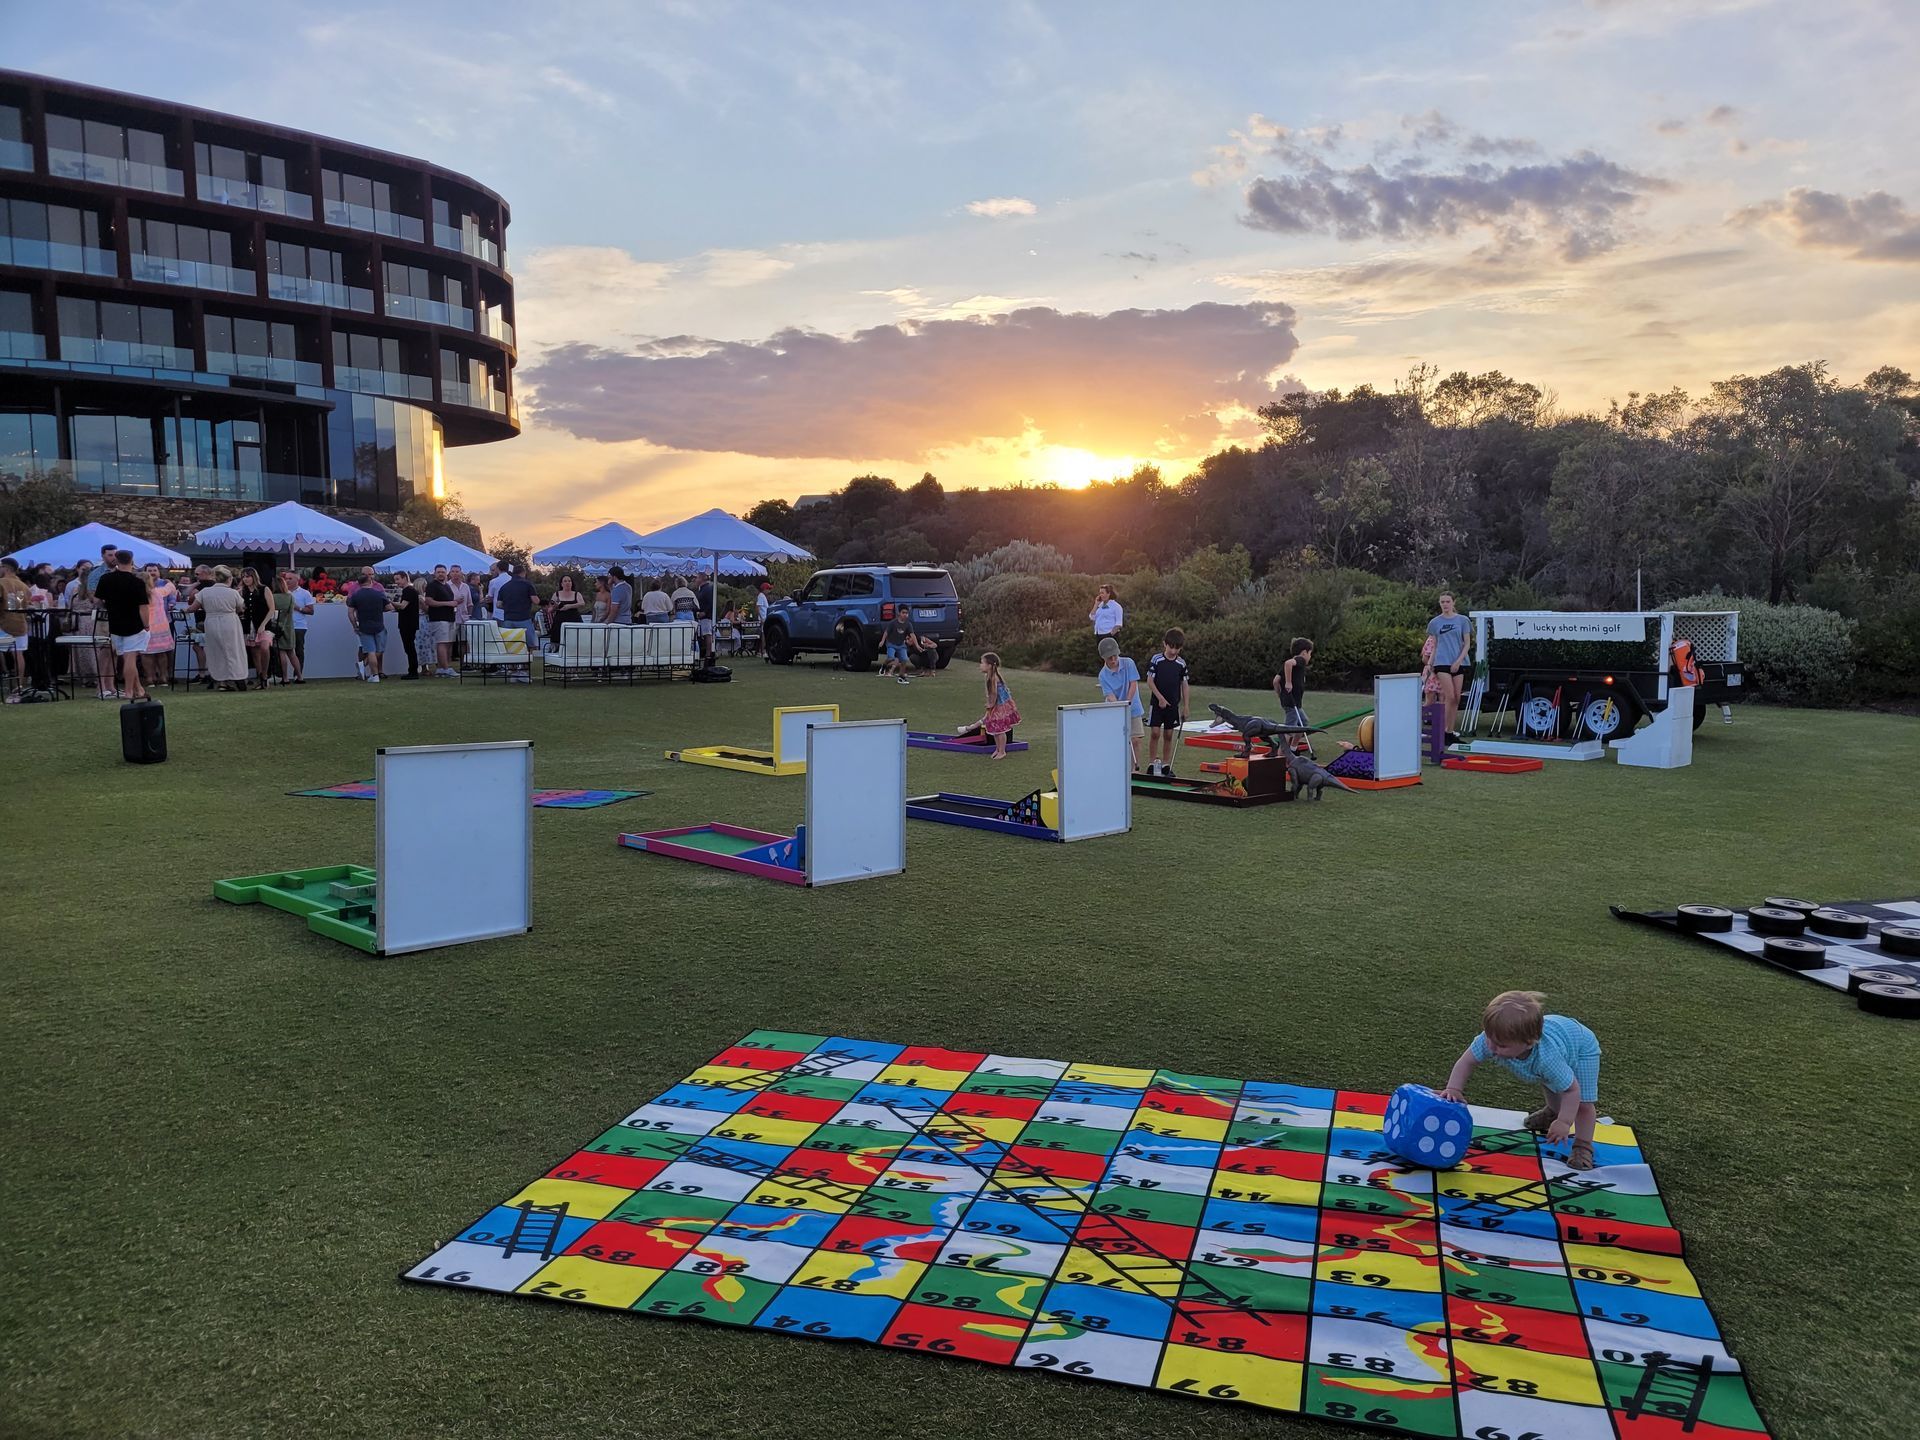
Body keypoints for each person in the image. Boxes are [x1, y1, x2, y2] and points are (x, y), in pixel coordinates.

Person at [1441, 991, 1603, 1172]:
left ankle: (1583, 1146)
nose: (1492, 1048)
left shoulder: (1548, 1059)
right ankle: (1552, 1112)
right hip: (1560, 1036)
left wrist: (1564, 1122)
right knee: (1550, 1081)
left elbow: (1572, 1091)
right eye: (1489, 1038)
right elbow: (1466, 1061)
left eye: (1501, 1045)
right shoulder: (1492, 1039)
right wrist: (1454, 1088)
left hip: (1581, 1048)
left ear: (1529, 1043)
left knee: (1582, 1104)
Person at [94, 549, 152, 702]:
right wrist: (146, 624)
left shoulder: (106, 579)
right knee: (130, 659)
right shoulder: (137, 582)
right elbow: (143, 607)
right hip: (134, 623)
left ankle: (138, 689)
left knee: (126, 658)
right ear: (132, 561)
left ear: (116, 561)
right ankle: (128, 692)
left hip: (115, 623)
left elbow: (98, 601)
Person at [1144, 628, 1190, 778]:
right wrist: (1160, 698)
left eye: (1177, 648)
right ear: (1165, 644)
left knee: (1169, 734)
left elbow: (1184, 685)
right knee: (1155, 732)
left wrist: (1186, 706)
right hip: (1157, 704)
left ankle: (1165, 765)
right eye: (1171, 647)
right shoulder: (1157, 660)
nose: (1173, 650)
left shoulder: (1181, 664)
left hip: (1173, 705)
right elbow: (1150, 681)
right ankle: (1151, 763)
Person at [1426, 592, 1472, 737]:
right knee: (1449, 696)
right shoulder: (1435, 622)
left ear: (1453, 602)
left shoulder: (1463, 620)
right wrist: (1429, 664)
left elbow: (1467, 644)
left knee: (1457, 698)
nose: (1445, 604)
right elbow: (1436, 644)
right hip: (1442, 662)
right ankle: (1442, 729)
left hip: (1458, 662)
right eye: (1442, 602)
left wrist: (1458, 661)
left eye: (1447, 601)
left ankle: (1450, 732)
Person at [1096, 635, 1145, 771]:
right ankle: (1118, 769)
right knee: (1118, 742)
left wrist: (1127, 703)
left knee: (1135, 739)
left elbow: (1133, 685)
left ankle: (1133, 771)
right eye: (1109, 658)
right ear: (1103, 658)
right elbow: (1110, 696)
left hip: (1133, 706)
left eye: (1115, 656)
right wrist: (1119, 707)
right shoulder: (1103, 675)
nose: (1113, 660)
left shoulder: (1128, 663)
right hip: (1114, 708)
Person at [195, 566, 248, 691]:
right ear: (229, 579)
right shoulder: (233, 593)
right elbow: (241, 608)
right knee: (234, 650)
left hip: (211, 622)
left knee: (216, 651)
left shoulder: (205, 592)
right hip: (230, 621)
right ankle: (237, 677)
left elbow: (193, 606)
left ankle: (222, 681)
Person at [347, 571, 393, 682]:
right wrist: (379, 609)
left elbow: (350, 613)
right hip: (379, 625)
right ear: (370, 581)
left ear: (359, 583)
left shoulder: (356, 595)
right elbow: (389, 607)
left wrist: (354, 625)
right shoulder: (379, 594)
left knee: (370, 651)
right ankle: (369, 669)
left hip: (364, 626)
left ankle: (374, 675)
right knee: (379, 650)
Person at [495, 562, 537, 684]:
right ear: (524, 573)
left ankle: (513, 672)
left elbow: (498, 604)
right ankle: (523, 671)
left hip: (508, 619)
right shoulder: (528, 584)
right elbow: (535, 600)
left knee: (510, 645)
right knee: (529, 645)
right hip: (523, 618)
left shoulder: (505, 586)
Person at [1273, 636, 1314, 758]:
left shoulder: (1296, 665)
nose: (1310, 657)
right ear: (1304, 652)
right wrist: (1289, 682)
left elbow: (1276, 681)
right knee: (1289, 729)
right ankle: (1280, 756)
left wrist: (1281, 695)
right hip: (1292, 703)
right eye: (1310, 653)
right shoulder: (1299, 660)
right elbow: (1288, 663)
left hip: (1293, 702)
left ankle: (1293, 749)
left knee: (1303, 723)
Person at [975, 651, 1021, 759]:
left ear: (990, 665)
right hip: (997, 705)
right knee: (994, 728)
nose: (980, 665)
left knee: (1000, 729)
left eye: (982, 663)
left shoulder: (993, 678)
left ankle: (1002, 751)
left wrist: (990, 704)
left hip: (1000, 706)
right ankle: (998, 748)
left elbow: (994, 693)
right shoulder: (989, 677)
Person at [141, 563, 179, 691]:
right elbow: (171, 588)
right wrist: (168, 581)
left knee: (146, 653)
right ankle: (163, 677)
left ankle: (149, 678)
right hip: (162, 625)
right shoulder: (158, 592)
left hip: (146, 625)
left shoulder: (139, 594)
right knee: (162, 652)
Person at [239, 567, 275, 688]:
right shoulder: (242, 592)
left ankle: (265, 675)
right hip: (248, 624)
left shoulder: (264, 589)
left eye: (248, 576)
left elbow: (271, 609)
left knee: (264, 647)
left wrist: (263, 624)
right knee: (254, 651)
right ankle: (261, 677)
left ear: (254, 577)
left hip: (263, 623)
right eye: (243, 577)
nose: (245, 579)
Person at [0, 557, 29, 700]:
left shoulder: (1, 583)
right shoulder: (23, 585)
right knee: (19, 654)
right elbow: (23, 605)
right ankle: (19, 686)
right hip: (20, 623)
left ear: (5, 568)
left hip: (3, 623)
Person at [424, 564, 458, 676]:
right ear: (434, 573)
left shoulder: (447, 586)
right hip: (439, 618)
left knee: (448, 643)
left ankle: (444, 667)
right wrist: (448, 603)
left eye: (443, 572)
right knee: (442, 643)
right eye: (438, 572)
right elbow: (428, 601)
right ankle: (443, 668)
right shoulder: (432, 586)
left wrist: (454, 603)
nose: (440, 574)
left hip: (449, 617)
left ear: (446, 573)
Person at [391, 570, 421, 679]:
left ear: (405, 578)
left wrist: (390, 602)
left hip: (408, 623)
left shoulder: (409, 591)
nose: (397, 582)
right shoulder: (408, 591)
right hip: (409, 623)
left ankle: (413, 671)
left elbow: (403, 606)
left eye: (398, 579)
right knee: (409, 647)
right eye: (395, 580)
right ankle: (412, 670)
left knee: (409, 648)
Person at [880, 608, 919, 684]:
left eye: (906, 613)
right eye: (903, 613)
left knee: (904, 660)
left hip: (901, 645)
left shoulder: (908, 624)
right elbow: (886, 632)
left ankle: (901, 677)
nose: (905, 615)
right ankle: (884, 665)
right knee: (891, 658)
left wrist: (917, 645)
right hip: (891, 643)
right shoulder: (893, 623)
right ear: (899, 613)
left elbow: (912, 635)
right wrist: (882, 641)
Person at [270, 573, 296, 683]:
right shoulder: (290, 597)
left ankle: (285, 677)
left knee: (281, 653)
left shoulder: (272, 597)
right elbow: (291, 611)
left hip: (277, 627)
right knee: (292, 653)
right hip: (289, 626)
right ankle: (299, 676)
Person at [548, 573, 583, 650]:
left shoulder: (576, 594)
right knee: (558, 638)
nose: (567, 583)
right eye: (565, 581)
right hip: (560, 620)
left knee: (576, 639)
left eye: (569, 581)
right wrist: (555, 607)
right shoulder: (556, 594)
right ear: (561, 584)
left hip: (574, 619)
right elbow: (549, 609)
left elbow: (582, 603)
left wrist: (569, 606)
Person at [289, 572, 313, 683]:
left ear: (297, 580)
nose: (287, 580)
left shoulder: (305, 593)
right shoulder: (283, 592)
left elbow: (310, 610)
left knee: (299, 650)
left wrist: (298, 608)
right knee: (283, 650)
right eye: (286, 578)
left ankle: (297, 674)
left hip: (299, 625)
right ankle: (282, 674)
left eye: (290, 578)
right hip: (285, 625)